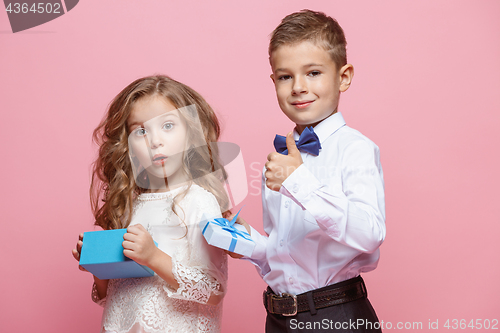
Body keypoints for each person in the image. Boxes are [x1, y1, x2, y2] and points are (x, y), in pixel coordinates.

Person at [234, 10, 386, 332]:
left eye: (313, 72)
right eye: (285, 76)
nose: (298, 87)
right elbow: (287, 253)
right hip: (280, 316)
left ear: (343, 77)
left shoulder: (355, 148)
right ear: (274, 81)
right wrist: (246, 243)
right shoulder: (280, 158)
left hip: (337, 313)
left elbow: (370, 234)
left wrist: (299, 181)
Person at [72, 75, 230, 333]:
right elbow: (112, 297)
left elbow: (213, 291)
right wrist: (98, 265)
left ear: (192, 134)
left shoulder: (198, 201)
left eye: (168, 125)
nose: (154, 140)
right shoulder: (129, 206)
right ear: (128, 146)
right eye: (141, 131)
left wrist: (154, 258)